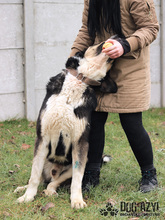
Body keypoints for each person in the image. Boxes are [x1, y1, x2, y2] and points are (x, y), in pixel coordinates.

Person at [70, 0, 159, 193]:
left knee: (131, 122)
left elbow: (150, 28)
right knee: (93, 120)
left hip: (131, 67)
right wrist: (73, 60)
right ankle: (92, 173)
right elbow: (86, 29)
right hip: (99, 66)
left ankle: (149, 175)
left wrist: (125, 44)